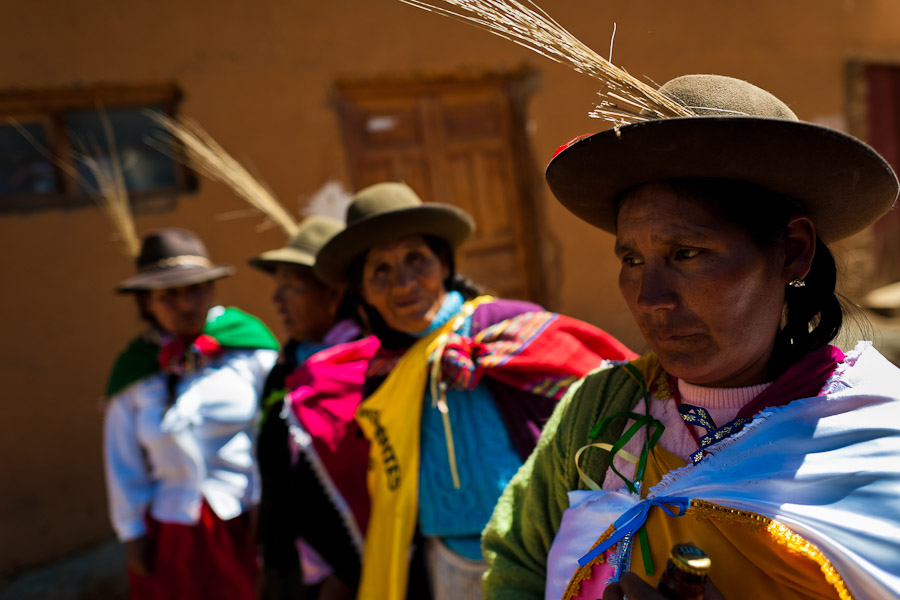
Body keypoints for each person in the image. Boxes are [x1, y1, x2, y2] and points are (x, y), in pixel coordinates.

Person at [481, 74, 900, 600]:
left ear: (792, 250)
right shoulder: (602, 412)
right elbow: (516, 566)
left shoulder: (879, 438)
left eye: (687, 253)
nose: (650, 296)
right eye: (631, 259)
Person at [313, 181, 637, 600]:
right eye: (381, 271)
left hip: (537, 546)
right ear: (363, 292)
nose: (404, 282)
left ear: (444, 265)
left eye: (416, 259)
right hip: (446, 559)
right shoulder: (381, 374)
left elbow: (601, 384)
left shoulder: (498, 327)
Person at [103, 228, 279, 600]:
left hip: (245, 520)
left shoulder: (250, 351)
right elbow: (123, 462)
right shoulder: (134, 372)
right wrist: (133, 534)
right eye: (168, 295)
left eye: (195, 290)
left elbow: (276, 435)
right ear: (146, 304)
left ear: (212, 291)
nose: (185, 304)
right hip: (171, 532)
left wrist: (268, 506)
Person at [249, 215, 373, 600]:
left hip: (350, 575)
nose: (277, 300)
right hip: (290, 567)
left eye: (291, 286)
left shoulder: (367, 372)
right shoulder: (286, 368)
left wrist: (345, 574)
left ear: (334, 295)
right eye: (277, 287)